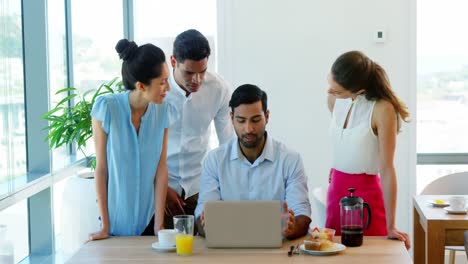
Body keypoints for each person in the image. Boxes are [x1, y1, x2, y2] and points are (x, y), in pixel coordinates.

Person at [194, 84, 311, 239]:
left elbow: (302, 214)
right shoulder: (215, 161)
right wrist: (206, 225)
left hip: (278, 249)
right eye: (241, 121)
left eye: (255, 120)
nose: (248, 129)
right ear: (231, 119)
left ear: (267, 117)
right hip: (228, 248)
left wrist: (292, 227)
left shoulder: (290, 159)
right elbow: (203, 215)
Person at [326, 50, 411, 249]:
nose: (330, 93)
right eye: (329, 84)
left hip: (367, 198)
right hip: (336, 193)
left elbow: (387, 168)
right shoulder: (334, 100)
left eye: (337, 91)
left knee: (371, 256)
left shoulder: (382, 109)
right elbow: (346, 144)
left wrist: (391, 226)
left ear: (359, 90)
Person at [89, 39, 171, 240]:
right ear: (141, 85)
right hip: (114, 224)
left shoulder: (163, 112)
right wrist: (105, 227)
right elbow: (101, 169)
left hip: (149, 221)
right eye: (162, 82)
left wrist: (159, 227)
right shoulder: (107, 108)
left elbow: (161, 169)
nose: (167, 87)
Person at [163, 29, 234, 231]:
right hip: (160, 185)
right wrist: (159, 188)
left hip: (199, 185)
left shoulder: (219, 88)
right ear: (173, 61)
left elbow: (227, 144)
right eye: (189, 72)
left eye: (202, 71)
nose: (197, 80)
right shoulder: (158, 90)